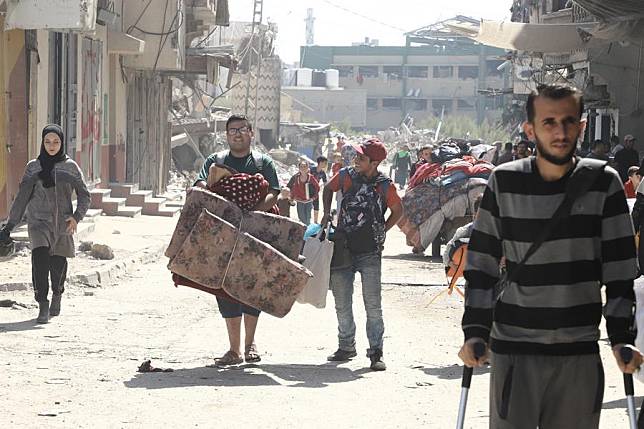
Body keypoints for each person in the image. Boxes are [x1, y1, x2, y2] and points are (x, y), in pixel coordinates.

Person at [459, 84, 641, 429]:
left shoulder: (605, 184)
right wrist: (474, 331)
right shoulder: (504, 182)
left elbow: (619, 274)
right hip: (514, 351)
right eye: (549, 122)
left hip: (578, 353)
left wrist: (621, 338)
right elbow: (481, 266)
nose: (560, 132)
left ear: (582, 127)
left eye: (569, 122)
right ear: (530, 129)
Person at [194, 114, 280, 366]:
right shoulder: (215, 161)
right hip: (223, 234)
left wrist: (252, 212)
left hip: (256, 231)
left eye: (242, 129)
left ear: (252, 133)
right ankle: (234, 350)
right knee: (223, 287)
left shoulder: (263, 163)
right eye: (232, 130)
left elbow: (274, 192)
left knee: (252, 287)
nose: (237, 134)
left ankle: (250, 344)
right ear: (226, 134)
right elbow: (201, 182)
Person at [321, 138, 403, 371]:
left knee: (373, 305)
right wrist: (327, 213)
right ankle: (346, 346)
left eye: (362, 158)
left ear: (375, 163)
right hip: (342, 247)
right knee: (342, 302)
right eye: (356, 156)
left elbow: (398, 210)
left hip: (370, 252)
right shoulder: (346, 176)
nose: (356, 160)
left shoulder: (385, 185)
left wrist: (383, 230)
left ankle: (376, 352)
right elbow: (328, 189)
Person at [0, 124, 90, 323]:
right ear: (42, 142)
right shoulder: (34, 167)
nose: (51, 145)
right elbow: (22, 198)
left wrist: (76, 217)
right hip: (38, 222)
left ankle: (57, 294)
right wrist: (9, 225)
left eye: (56, 141)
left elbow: (85, 194)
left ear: (62, 142)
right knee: (39, 263)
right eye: (48, 141)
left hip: (62, 224)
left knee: (57, 267)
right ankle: (42, 304)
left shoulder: (70, 167)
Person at [287, 160, 320, 225]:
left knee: (308, 218)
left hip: (308, 201)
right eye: (301, 166)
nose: (303, 168)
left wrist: (313, 198)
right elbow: (294, 189)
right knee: (301, 217)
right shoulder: (297, 177)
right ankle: (303, 232)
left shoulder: (311, 178)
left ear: (308, 168)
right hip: (300, 201)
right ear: (299, 168)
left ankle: (306, 232)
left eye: (305, 166)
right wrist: (292, 198)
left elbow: (317, 187)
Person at [310, 156, 329, 223]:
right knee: (308, 205)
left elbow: (325, 183)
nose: (326, 164)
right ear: (320, 162)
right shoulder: (311, 169)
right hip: (308, 189)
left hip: (315, 190)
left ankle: (315, 221)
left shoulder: (322, 173)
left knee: (316, 206)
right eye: (325, 163)